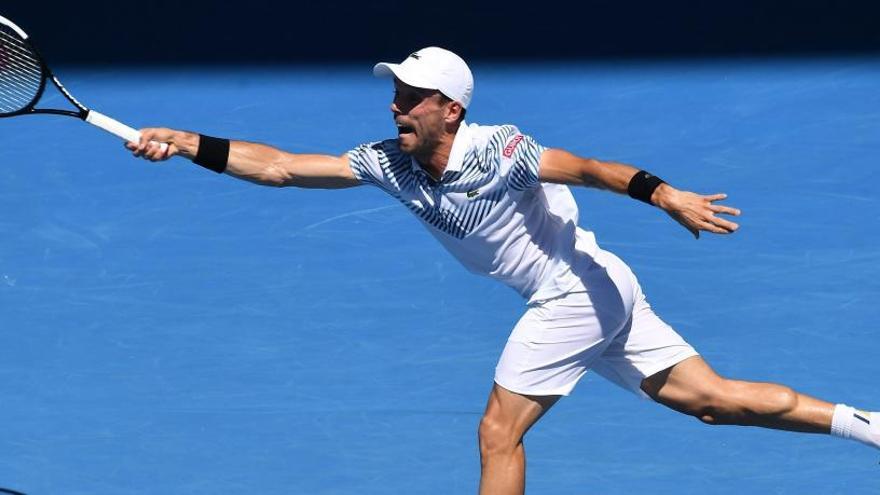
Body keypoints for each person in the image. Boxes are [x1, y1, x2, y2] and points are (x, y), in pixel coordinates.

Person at [127, 47, 878, 494]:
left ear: (450, 109)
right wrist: (190, 140)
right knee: (711, 400)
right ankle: (867, 424)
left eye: (412, 97)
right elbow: (287, 168)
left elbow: (589, 168)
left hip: (572, 294)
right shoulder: (391, 162)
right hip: (601, 285)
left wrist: (666, 195)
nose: (396, 107)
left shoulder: (499, 150)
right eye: (395, 94)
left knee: (497, 430)